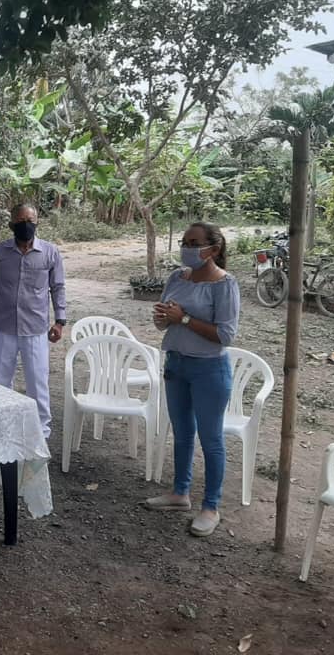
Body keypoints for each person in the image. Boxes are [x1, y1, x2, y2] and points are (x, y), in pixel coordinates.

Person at [146, 222, 240, 538]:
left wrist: (184, 318)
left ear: (213, 249)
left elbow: (226, 335)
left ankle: (211, 507)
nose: (187, 248)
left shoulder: (225, 284)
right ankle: (179, 493)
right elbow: (163, 323)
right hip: (176, 364)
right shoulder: (177, 277)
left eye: (194, 243)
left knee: (211, 440)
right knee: (182, 433)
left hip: (209, 370)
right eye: (184, 242)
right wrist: (163, 317)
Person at [0, 205, 67, 438]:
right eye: (20, 220)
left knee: (37, 381)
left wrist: (60, 321)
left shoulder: (50, 252)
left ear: (37, 222)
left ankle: (41, 431)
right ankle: (2, 427)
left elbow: (58, 287)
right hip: (4, 327)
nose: (25, 224)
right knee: (1, 380)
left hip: (35, 329)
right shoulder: (1, 252)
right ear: (11, 224)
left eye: (30, 220)